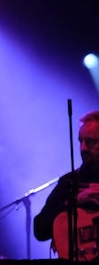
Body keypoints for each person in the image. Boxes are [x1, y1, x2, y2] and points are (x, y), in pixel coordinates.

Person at [34, 110, 99, 257]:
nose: (83, 148)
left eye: (90, 142)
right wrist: (73, 202)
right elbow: (39, 230)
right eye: (80, 141)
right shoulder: (69, 182)